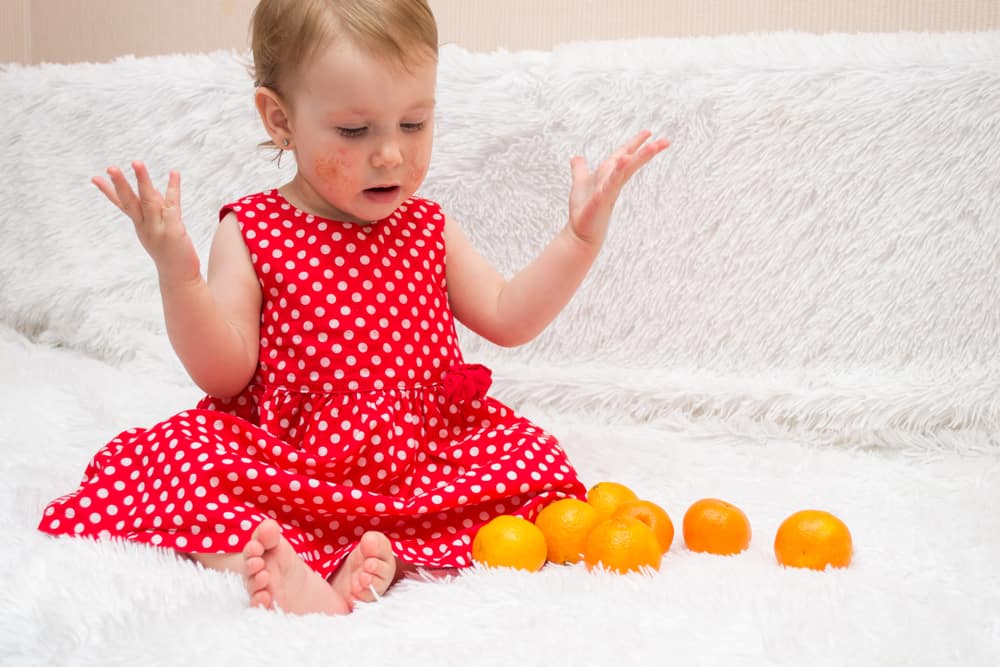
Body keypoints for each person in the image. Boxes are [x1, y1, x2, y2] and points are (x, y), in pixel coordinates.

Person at [38, 0, 669, 616]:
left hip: (422, 458)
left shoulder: (426, 227)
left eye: (414, 123)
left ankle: (373, 555)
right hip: (293, 464)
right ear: (278, 118)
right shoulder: (254, 228)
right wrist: (179, 274)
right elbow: (224, 374)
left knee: (538, 462)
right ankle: (264, 557)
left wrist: (578, 240)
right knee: (174, 462)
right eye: (354, 130)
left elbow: (509, 316)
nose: (391, 153)